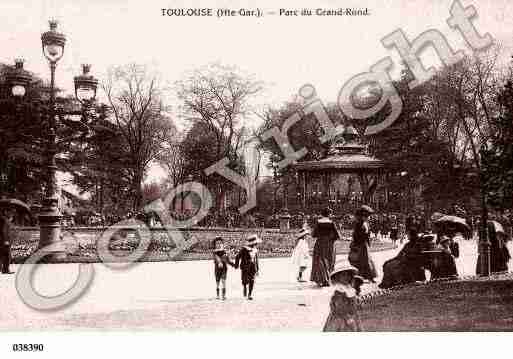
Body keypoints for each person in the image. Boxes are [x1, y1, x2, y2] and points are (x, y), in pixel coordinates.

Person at [323, 263, 362, 332]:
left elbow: (354, 302)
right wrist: (347, 318)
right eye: (343, 275)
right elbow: (339, 307)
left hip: (353, 315)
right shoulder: (340, 291)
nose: (346, 277)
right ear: (337, 277)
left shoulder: (350, 288)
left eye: (348, 275)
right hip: (341, 318)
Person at [310, 208, 341, 287]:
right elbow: (337, 235)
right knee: (329, 261)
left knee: (319, 261)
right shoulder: (332, 223)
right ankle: (327, 278)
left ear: (322, 214)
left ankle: (321, 279)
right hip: (329, 244)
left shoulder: (318, 223)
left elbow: (313, 234)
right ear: (329, 214)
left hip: (320, 243)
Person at [349, 205, 377, 282]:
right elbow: (356, 235)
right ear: (363, 216)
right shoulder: (359, 224)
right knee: (362, 261)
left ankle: (368, 276)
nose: (369, 218)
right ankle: (362, 276)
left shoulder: (365, 223)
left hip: (364, 244)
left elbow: (367, 234)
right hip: (360, 244)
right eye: (367, 216)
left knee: (366, 260)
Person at [235, 234, 260, 300]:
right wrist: (237, 265)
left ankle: (250, 294)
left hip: (252, 267)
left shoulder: (255, 250)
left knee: (252, 280)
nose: (256, 244)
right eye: (255, 243)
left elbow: (256, 260)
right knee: (245, 280)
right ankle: (245, 288)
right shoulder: (244, 249)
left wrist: (257, 269)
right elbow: (237, 257)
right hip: (245, 267)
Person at [0, 208, 15, 274]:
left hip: (3, 240)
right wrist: (6, 240)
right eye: (10, 212)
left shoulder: (4, 220)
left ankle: (3, 269)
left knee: (2, 254)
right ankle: (5, 269)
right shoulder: (5, 221)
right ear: (5, 212)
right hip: (5, 241)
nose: (12, 214)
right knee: (7, 255)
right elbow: (4, 231)